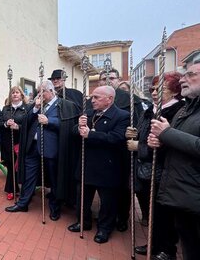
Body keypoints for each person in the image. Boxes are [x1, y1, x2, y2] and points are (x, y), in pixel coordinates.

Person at [127, 72, 184, 259]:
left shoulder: (177, 111)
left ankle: (166, 250)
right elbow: (145, 133)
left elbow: (170, 143)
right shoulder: (151, 109)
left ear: (175, 91)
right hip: (146, 170)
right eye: (152, 89)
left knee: (164, 214)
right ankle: (153, 243)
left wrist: (140, 147)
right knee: (152, 211)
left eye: (160, 89)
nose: (154, 93)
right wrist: (134, 133)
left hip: (164, 171)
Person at [148, 62, 200, 260]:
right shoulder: (187, 109)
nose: (183, 79)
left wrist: (167, 134)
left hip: (194, 191)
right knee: (189, 244)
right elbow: (173, 140)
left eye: (190, 75)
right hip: (182, 190)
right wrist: (159, 141)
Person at [6, 80, 80, 217]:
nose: (39, 95)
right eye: (38, 92)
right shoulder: (37, 105)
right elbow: (26, 120)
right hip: (33, 147)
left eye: (42, 92)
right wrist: (35, 108)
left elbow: (67, 124)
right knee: (29, 177)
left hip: (51, 148)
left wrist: (49, 121)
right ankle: (23, 203)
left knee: (54, 178)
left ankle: (55, 207)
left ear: (51, 91)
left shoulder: (62, 105)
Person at [67, 86, 129, 244]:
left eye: (97, 97)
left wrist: (91, 135)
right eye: (92, 97)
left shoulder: (122, 116)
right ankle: (84, 222)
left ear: (110, 99)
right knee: (83, 196)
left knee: (107, 201)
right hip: (86, 163)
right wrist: (78, 126)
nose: (92, 100)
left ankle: (104, 228)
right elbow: (74, 133)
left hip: (107, 166)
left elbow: (116, 138)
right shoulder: (88, 114)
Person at [97, 68, 144, 232]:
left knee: (123, 187)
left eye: (111, 78)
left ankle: (122, 217)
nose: (107, 81)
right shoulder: (95, 100)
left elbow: (143, 123)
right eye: (103, 79)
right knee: (105, 187)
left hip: (123, 151)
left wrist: (136, 132)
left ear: (118, 79)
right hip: (102, 150)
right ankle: (106, 215)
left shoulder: (132, 100)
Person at [0, 86, 28, 200]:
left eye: (17, 92)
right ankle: (11, 189)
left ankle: (25, 189)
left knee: (22, 166)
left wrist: (18, 127)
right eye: (12, 93)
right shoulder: (6, 108)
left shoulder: (27, 108)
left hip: (22, 141)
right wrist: (6, 123)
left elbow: (30, 125)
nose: (15, 94)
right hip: (8, 142)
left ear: (21, 95)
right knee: (11, 166)